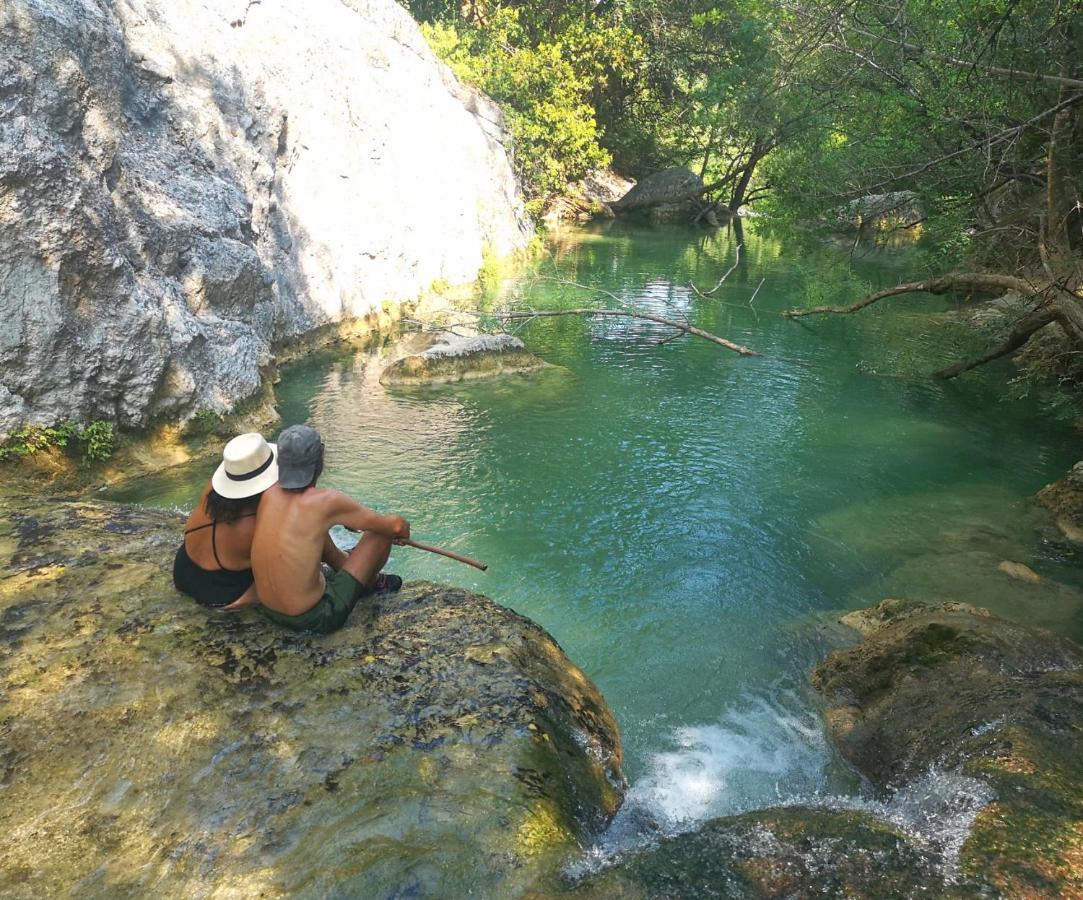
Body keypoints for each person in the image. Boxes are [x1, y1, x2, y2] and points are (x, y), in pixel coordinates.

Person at [251, 424, 408, 633]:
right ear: (319, 460)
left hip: (269, 609)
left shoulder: (269, 494)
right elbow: (395, 525)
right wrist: (402, 531)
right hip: (315, 618)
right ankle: (373, 583)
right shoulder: (325, 502)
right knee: (379, 533)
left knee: (315, 532)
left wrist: (340, 518)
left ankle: (349, 566)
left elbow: (306, 524)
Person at [173, 432, 279, 610]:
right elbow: (273, 574)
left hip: (183, 571)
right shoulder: (256, 523)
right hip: (219, 592)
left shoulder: (211, 490)